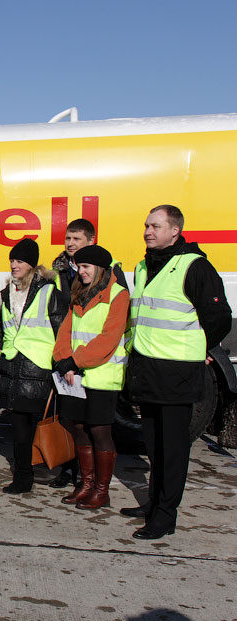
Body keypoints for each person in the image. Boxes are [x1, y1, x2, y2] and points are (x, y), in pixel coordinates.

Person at [125, 205, 231, 539]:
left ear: (175, 231)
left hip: (177, 375)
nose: (148, 231)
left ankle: (165, 516)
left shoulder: (194, 266)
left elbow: (219, 317)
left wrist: (201, 349)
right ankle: (154, 502)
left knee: (172, 450)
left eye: (156, 226)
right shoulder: (144, 266)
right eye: (146, 225)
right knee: (154, 446)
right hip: (148, 371)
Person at [48, 218, 128, 488]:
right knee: (78, 427)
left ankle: (100, 490)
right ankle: (85, 485)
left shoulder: (117, 294)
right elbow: (66, 330)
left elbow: (109, 337)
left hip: (102, 375)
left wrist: (74, 361)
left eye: (85, 267)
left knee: (100, 430)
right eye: (79, 266)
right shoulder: (78, 292)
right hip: (76, 374)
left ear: (99, 269)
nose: (80, 271)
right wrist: (64, 360)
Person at [0, 238, 66, 493]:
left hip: (37, 368)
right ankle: (24, 477)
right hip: (13, 367)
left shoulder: (49, 292)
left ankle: (56, 468)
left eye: (19, 261)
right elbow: (4, 326)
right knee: (19, 426)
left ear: (31, 264)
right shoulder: (8, 292)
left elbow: (62, 330)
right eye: (12, 260)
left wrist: (62, 365)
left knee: (41, 425)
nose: (14, 265)